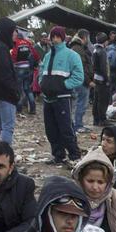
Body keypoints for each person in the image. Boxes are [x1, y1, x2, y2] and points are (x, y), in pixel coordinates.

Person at [37, 26, 83, 164]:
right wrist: (42, 83)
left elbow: (79, 76)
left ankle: (75, 155)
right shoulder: (47, 55)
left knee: (65, 128)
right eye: (53, 37)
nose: (55, 39)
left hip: (62, 98)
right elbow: (41, 71)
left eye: (57, 37)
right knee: (50, 129)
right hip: (47, 98)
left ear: (62, 38)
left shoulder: (71, 55)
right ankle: (58, 155)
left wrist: (64, 85)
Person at [69, 29, 93, 133]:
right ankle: (78, 125)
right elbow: (82, 67)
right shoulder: (78, 49)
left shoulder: (75, 47)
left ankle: (76, 124)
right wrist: (88, 81)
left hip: (78, 80)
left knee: (78, 102)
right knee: (81, 103)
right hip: (81, 81)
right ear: (84, 37)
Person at [10, 29, 36, 115]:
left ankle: (19, 109)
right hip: (28, 68)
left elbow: (14, 55)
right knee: (27, 89)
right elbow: (33, 54)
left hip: (19, 68)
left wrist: (12, 63)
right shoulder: (27, 43)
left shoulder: (16, 44)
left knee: (19, 89)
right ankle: (32, 108)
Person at [90, 31, 111, 125]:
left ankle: (96, 119)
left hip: (96, 78)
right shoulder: (102, 51)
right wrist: (107, 79)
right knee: (103, 100)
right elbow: (103, 67)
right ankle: (102, 119)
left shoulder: (95, 50)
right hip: (102, 79)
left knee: (96, 100)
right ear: (105, 41)